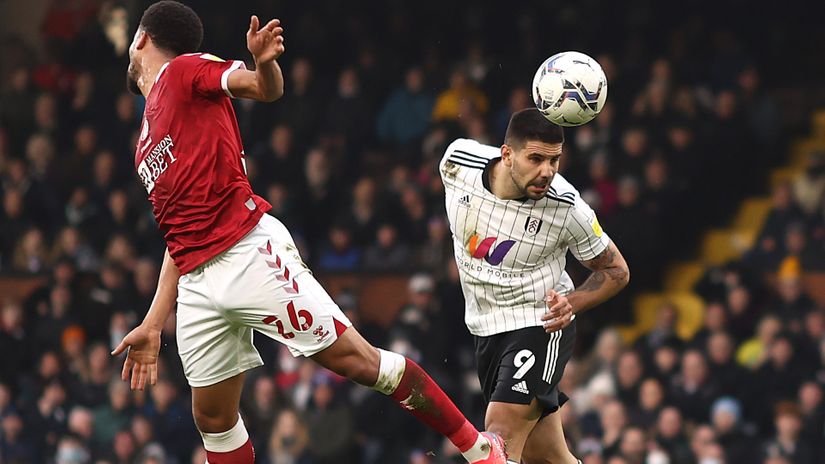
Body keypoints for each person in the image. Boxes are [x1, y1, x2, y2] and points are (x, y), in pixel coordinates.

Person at [111, 2, 507, 463]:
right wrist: (153, 322)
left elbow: (263, 88)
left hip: (247, 252)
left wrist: (264, 64)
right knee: (213, 419)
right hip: (197, 283)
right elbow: (177, 236)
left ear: (141, 39)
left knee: (358, 362)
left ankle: (479, 449)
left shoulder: (182, 71)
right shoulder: (145, 139)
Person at [439, 108, 630, 463]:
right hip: (485, 328)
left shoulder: (567, 207)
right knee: (547, 457)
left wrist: (572, 302)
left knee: (499, 435)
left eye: (554, 160)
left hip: (539, 324)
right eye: (536, 159)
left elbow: (617, 271)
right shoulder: (457, 163)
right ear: (506, 154)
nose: (547, 171)